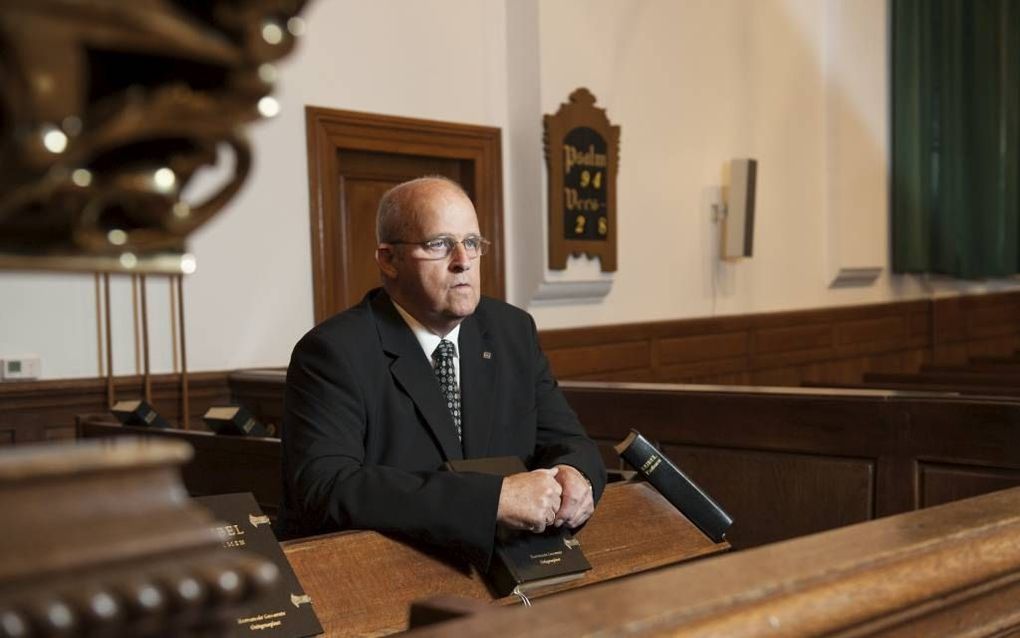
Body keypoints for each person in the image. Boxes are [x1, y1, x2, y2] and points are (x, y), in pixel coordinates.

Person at [277, 176, 606, 569]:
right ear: (388, 259)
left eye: (471, 243)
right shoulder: (333, 351)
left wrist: (576, 475)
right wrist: (492, 500)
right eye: (438, 244)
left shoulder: (511, 331)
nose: (462, 260)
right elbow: (325, 487)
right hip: (393, 574)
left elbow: (570, 440)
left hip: (519, 569)